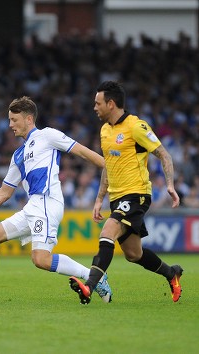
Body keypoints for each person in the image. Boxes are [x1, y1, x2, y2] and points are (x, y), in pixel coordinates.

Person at [0, 96, 113, 304]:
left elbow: (82, 152)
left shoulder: (47, 135)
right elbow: (4, 193)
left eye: (14, 119)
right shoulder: (18, 155)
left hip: (48, 202)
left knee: (41, 259)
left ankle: (95, 277)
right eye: (9, 120)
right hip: (32, 207)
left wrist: (110, 168)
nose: (10, 125)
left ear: (29, 119)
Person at [69, 81, 183, 304]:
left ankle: (89, 287)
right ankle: (172, 274)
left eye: (98, 103)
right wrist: (99, 198)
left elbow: (164, 154)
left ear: (111, 104)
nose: (94, 107)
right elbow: (108, 167)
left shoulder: (136, 127)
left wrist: (170, 185)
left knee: (108, 232)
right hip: (117, 197)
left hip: (137, 194)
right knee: (134, 254)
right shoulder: (104, 130)